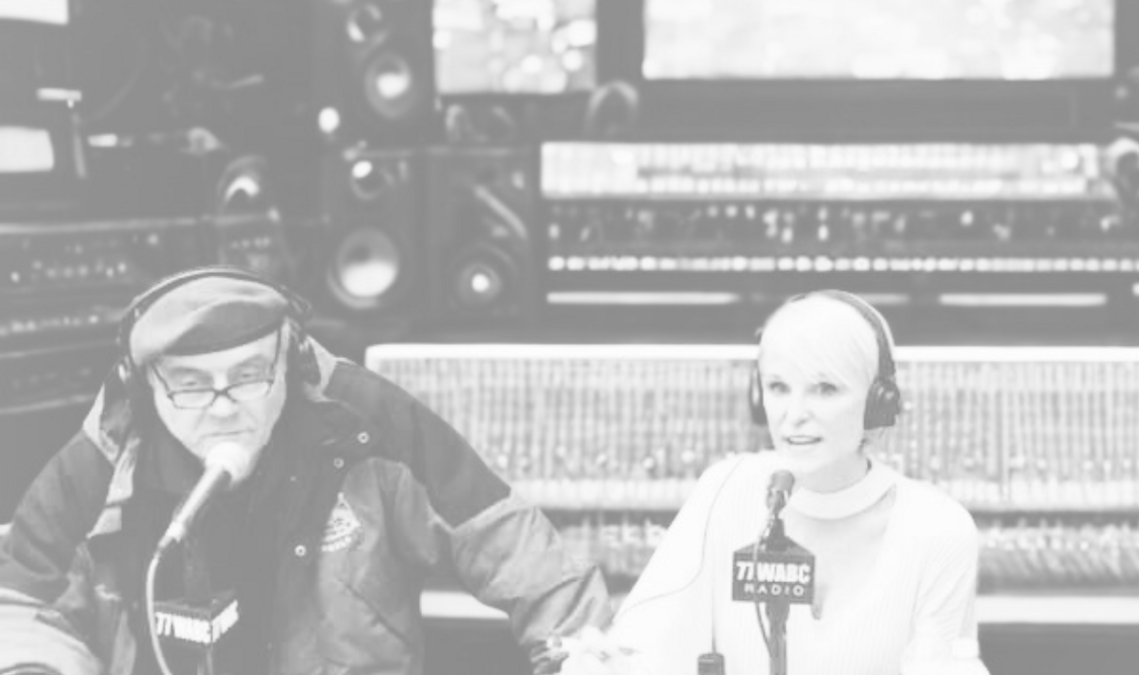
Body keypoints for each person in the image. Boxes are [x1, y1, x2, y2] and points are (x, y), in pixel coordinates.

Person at [0, 266, 613, 675]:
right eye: (190, 386)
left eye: (248, 376)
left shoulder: (368, 423)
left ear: (289, 363)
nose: (224, 407)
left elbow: (523, 556)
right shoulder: (99, 463)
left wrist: (586, 660)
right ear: (145, 389)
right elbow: (16, 603)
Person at [560, 290, 987, 675]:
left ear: (879, 404)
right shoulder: (726, 490)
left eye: (825, 389)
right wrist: (610, 664)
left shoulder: (937, 529)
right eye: (779, 387)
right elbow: (652, 642)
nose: (794, 413)